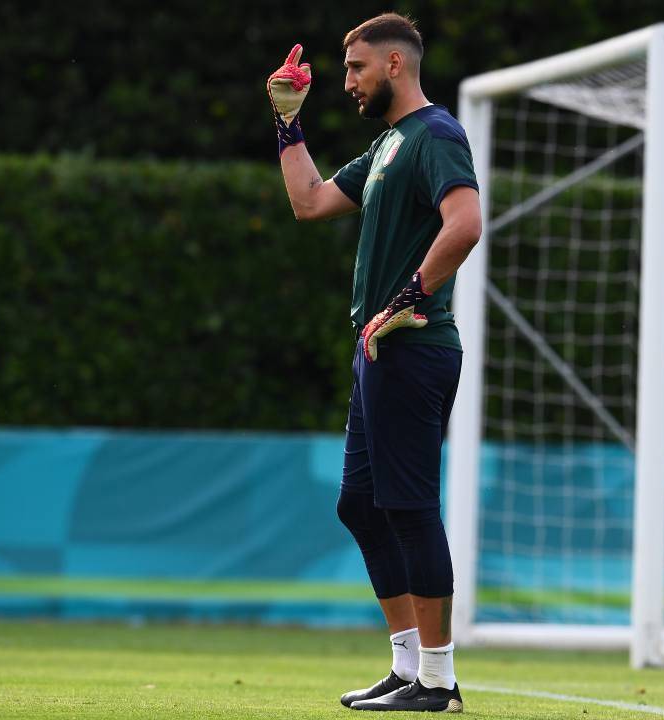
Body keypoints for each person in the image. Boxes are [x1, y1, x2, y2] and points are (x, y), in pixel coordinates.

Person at [266, 11, 481, 714]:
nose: (347, 82)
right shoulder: (389, 145)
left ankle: (440, 682)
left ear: (394, 65)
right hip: (378, 350)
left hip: (413, 347)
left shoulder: (436, 134)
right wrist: (287, 122)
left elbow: (466, 222)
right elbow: (310, 201)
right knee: (360, 504)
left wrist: (412, 295)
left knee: (410, 506)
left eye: (356, 68)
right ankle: (407, 665)